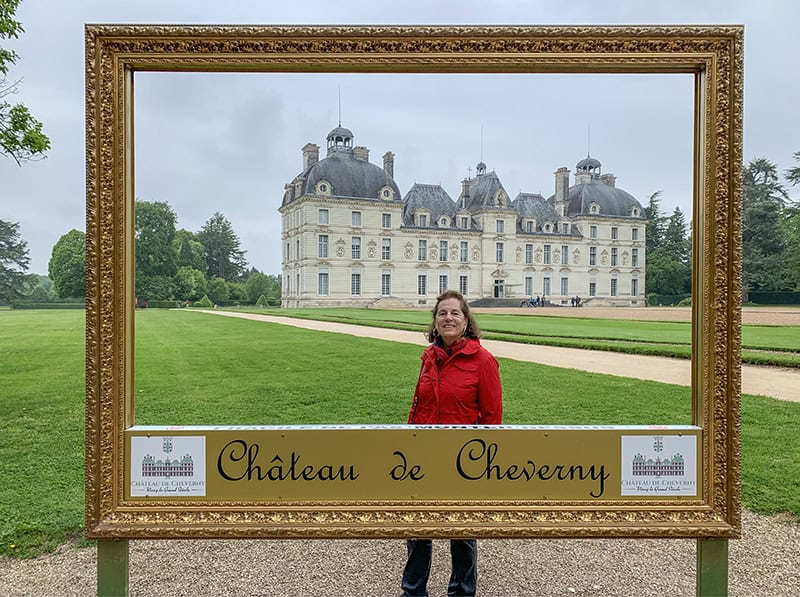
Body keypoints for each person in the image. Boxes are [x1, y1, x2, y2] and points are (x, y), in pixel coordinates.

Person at [402, 290, 503, 597]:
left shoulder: (482, 360)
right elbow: (418, 404)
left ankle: (461, 590)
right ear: (435, 321)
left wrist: (482, 459)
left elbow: (492, 417)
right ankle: (414, 589)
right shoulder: (429, 357)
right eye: (442, 313)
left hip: (463, 457)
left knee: (461, 528)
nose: (448, 318)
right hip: (425, 453)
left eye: (454, 313)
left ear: (466, 321)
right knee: (418, 525)